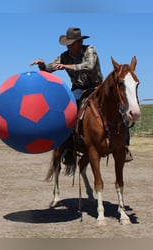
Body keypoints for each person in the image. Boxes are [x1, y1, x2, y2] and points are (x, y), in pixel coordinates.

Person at [30, 27, 133, 162]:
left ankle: (124, 146)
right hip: (78, 89)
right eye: (67, 44)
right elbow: (49, 69)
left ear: (79, 42)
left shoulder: (90, 50)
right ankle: (69, 147)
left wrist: (68, 66)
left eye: (71, 43)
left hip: (97, 87)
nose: (69, 46)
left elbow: (89, 66)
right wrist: (42, 65)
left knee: (119, 108)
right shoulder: (64, 56)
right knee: (69, 113)